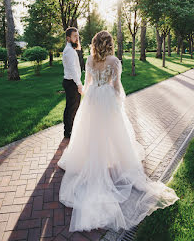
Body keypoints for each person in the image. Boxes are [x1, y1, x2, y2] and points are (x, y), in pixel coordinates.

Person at [57, 30, 179, 232]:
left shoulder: (88, 59)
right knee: (113, 133)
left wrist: (89, 98)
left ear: (95, 43)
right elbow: (116, 86)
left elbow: (87, 84)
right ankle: (109, 162)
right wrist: (119, 101)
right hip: (106, 98)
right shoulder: (114, 61)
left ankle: (94, 161)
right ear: (110, 43)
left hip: (94, 98)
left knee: (91, 133)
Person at [62, 27, 83, 139]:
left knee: (71, 107)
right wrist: (79, 84)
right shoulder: (69, 51)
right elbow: (72, 69)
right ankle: (68, 131)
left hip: (71, 82)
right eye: (75, 36)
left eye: (77, 36)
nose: (77, 39)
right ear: (68, 38)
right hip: (71, 83)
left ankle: (69, 129)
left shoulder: (71, 49)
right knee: (72, 108)